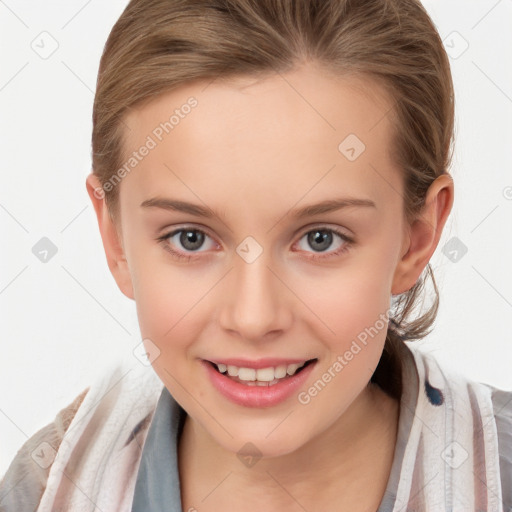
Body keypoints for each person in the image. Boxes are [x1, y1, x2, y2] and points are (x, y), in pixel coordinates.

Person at [1, 0, 511, 511]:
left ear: (416, 236)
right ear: (115, 238)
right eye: (191, 238)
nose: (253, 317)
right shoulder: (49, 488)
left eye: (320, 239)